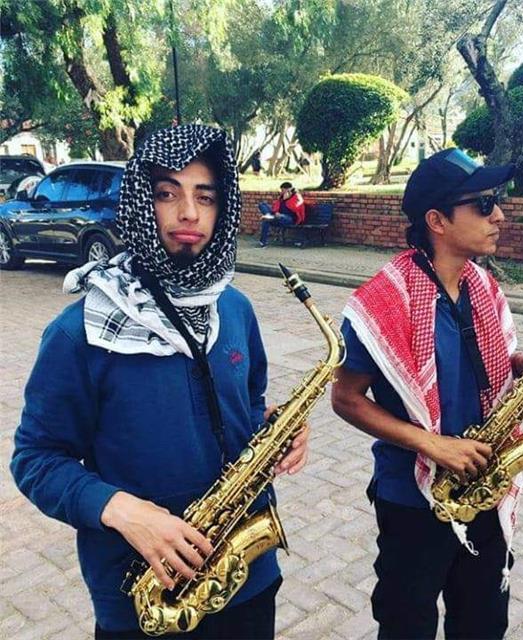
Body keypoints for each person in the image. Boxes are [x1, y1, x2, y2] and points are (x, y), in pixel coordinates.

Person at [10, 124, 309, 640]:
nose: (189, 212)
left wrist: (276, 429)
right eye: (167, 193)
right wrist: (121, 510)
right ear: (138, 204)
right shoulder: (79, 332)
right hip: (144, 598)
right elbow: (35, 459)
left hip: (248, 578)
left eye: (205, 196)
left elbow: (249, 403)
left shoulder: (234, 308)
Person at [331, 148, 523, 640]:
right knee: (406, 626)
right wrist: (431, 444)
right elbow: (345, 399)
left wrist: (519, 368)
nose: (498, 215)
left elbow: (477, 365)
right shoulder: (384, 301)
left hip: (484, 484)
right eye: (483, 204)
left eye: (496, 201)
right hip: (414, 499)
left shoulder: (482, 285)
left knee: (482, 625)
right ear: (437, 220)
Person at [257, 181, 305, 247]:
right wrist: (276, 212)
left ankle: (271, 217)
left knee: (276, 217)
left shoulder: (297, 197)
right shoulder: (282, 197)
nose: (281, 192)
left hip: (289, 219)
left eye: (282, 190)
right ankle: (263, 242)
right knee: (262, 205)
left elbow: (295, 208)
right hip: (278, 216)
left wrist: (287, 199)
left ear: (287, 189)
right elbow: (275, 206)